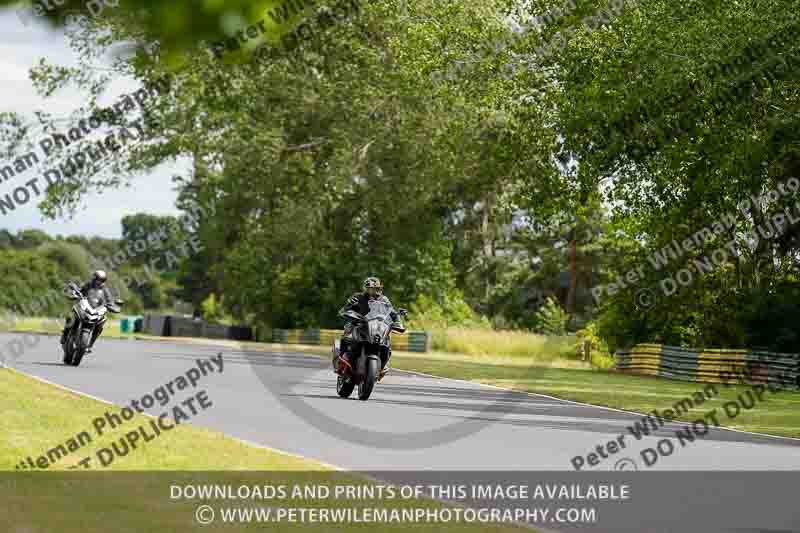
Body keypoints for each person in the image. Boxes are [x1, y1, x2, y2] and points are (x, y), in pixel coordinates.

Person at [336, 277, 404, 380]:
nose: (373, 290)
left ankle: (382, 365)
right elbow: (342, 311)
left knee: (387, 342)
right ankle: (341, 361)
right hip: (359, 324)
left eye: (375, 288)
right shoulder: (358, 297)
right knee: (348, 331)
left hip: (377, 326)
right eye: (370, 288)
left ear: (379, 288)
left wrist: (398, 321)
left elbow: (392, 313)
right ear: (366, 288)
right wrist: (349, 305)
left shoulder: (384, 299)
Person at [60, 270, 116, 352]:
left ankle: (90, 345)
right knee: (70, 316)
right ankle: (65, 335)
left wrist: (112, 306)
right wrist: (75, 294)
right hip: (84, 307)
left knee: (101, 324)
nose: (100, 282)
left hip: (96, 310)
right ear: (94, 278)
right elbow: (79, 291)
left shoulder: (105, 290)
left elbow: (110, 301)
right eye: (98, 280)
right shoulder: (88, 285)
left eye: (102, 280)